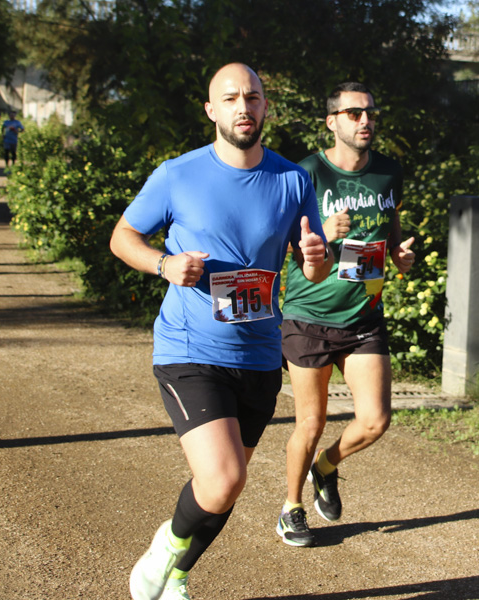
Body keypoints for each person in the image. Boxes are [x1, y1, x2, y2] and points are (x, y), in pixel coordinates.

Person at [110, 62, 332, 600]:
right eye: (230, 98)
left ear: (264, 107)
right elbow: (123, 236)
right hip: (190, 349)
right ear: (211, 110)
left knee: (223, 489)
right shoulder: (176, 174)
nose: (243, 107)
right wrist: (164, 265)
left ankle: (177, 579)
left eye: (252, 97)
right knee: (225, 477)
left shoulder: (292, 178)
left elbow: (314, 268)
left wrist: (316, 258)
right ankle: (165, 550)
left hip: (258, 355)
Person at [275, 82, 415, 548]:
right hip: (308, 314)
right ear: (332, 121)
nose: (365, 120)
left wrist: (399, 255)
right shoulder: (305, 173)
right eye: (353, 113)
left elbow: (391, 230)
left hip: (363, 315)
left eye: (370, 112)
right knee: (310, 424)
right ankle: (291, 507)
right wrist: (321, 234)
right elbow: (283, 246)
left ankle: (326, 466)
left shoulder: (389, 173)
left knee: (374, 420)